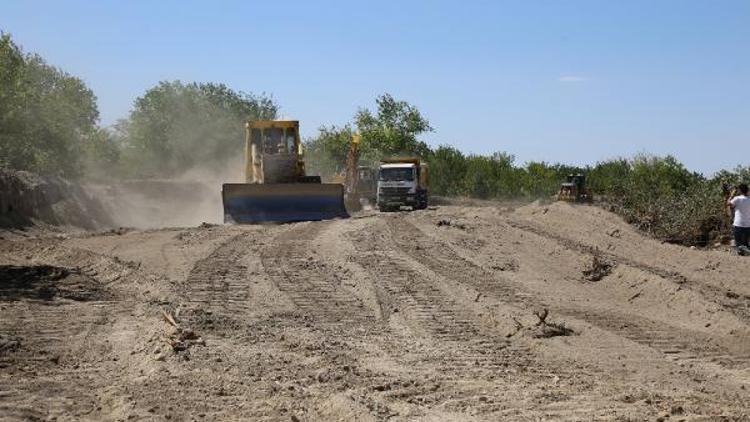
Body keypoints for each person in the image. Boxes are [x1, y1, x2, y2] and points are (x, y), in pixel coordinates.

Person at [728, 183, 750, 255]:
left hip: (738, 224)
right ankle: (745, 250)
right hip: (748, 224)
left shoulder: (737, 198)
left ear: (740, 190)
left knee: (738, 241)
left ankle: (741, 251)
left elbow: (729, 204)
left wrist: (731, 196)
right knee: (745, 242)